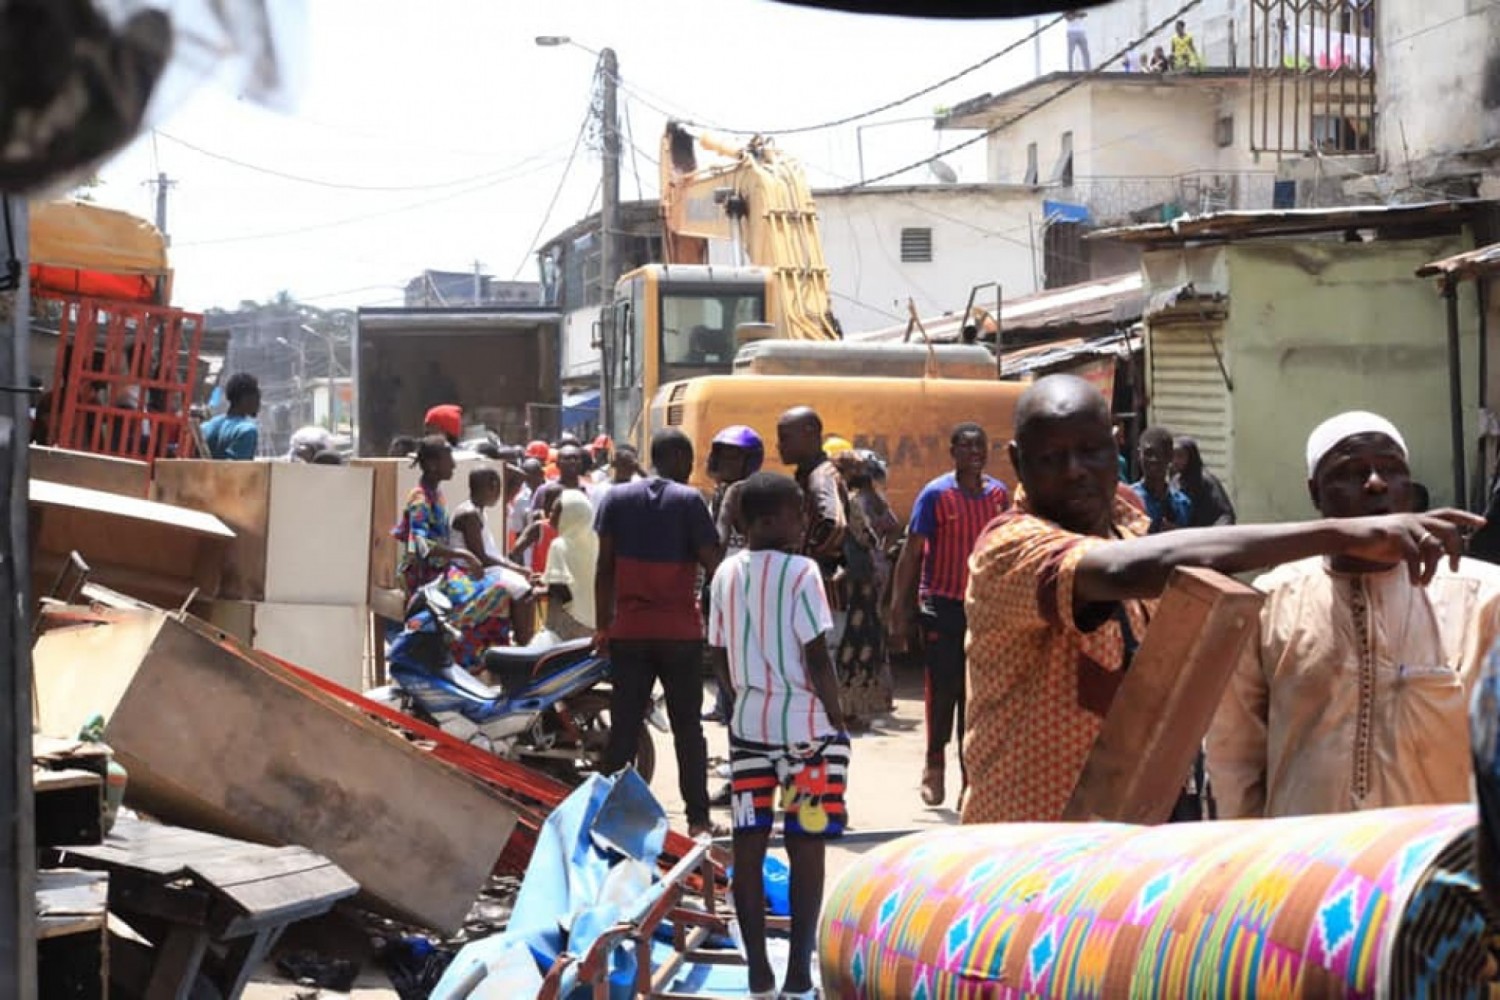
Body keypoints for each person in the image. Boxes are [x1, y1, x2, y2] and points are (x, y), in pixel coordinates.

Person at [960, 375, 1481, 826]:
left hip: (1133, 844)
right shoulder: (1011, 548)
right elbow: (1238, 749)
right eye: (1051, 457)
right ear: (1016, 462)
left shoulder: (1129, 525)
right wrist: (1346, 534)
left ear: (1116, 445)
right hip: (1029, 847)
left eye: (1091, 451)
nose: (1075, 470)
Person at [1208, 412, 1500, 819]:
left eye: (1392, 470)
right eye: (1351, 472)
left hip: (1433, 868)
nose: (1377, 483)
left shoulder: (1483, 599)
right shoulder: (1268, 603)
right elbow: (1233, 757)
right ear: (1315, 493)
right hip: (1305, 866)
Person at [708, 471, 849, 1000]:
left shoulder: (724, 575)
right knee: (805, 843)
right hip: (808, 736)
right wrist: (836, 718)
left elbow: (718, 652)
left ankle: (757, 975)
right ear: (770, 520)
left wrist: (741, 694)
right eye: (797, 512)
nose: (804, 520)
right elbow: (817, 655)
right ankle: (797, 975)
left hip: (748, 733)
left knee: (748, 845)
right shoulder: (802, 572)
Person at [595, 428, 723, 838]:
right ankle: (698, 820)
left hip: (629, 631)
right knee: (689, 729)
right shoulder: (689, 501)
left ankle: (608, 819)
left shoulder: (615, 498)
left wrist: (603, 625)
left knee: (625, 728)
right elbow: (714, 562)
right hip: (679, 633)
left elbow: (604, 569)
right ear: (681, 459)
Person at [888, 422, 1010, 807]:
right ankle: (934, 765)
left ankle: (970, 780)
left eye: (981, 446)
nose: (975, 453)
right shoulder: (936, 495)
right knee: (943, 690)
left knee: (977, 697)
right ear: (953, 451)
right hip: (941, 603)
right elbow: (912, 552)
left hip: (984, 607)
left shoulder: (998, 496)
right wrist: (898, 609)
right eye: (967, 446)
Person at [391, 437, 519, 668]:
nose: (453, 464)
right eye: (448, 458)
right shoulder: (420, 499)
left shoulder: (436, 493)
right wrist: (463, 555)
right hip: (424, 578)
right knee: (496, 594)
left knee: (497, 591)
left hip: (440, 572)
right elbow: (418, 545)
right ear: (432, 464)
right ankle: (469, 660)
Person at [832, 448, 900, 731]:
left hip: (859, 581)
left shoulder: (852, 502)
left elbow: (861, 536)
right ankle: (861, 705)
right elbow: (890, 530)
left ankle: (849, 708)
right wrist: (881, 554)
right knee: (869, 638)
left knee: (853, 641)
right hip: (872, 576)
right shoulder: (873, 499)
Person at [704, 426, 766, 724]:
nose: (726, 463)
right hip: (724, 583)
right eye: (723, 456)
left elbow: (720, 539)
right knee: (723, 652)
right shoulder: (721, 491)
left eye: (734, 457)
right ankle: (725, 708)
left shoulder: (748, 493)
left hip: (745, 583)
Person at [777, 408, 849, 649]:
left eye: (785, 437)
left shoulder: (820, 478)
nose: (779, 445)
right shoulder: (810, 476)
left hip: (823, 598)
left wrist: (804, 562)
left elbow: (835, 525)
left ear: (809, 434)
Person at [452, 466, 537, 646]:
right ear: (490, 487)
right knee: (524, 590)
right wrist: (516, 569)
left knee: (527, 583)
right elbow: (481, 557)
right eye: (497, 487)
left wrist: (517, 568)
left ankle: (521, 639)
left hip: (486, 567)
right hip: (471, 570)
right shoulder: (469, 514)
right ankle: (524, 643)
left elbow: (520, 475)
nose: (499, 494)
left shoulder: (478, 510)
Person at [542, 490, 598, 641]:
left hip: (566, 624)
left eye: (555, 511)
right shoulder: (595, 541)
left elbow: (560, 590)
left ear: (569, 516)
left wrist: (541, 588)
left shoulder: (559, 545)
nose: (550, 514)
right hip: (594, 622)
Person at [1131, 426, 1191, 533]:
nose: (1154, 460)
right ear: (1139, 455)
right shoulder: (1130, 500)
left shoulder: (1182, 503)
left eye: (1161, 454)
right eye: (1148, 453)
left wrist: (1177, 532)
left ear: (1170, 457)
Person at [1173, 436, 1236, 526]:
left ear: (1191, 456)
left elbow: (1226, 515)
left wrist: (1213, 534)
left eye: (1180, 456)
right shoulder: (1175, 482)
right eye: (1173, 456)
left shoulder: (1206, 480)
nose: (1175, 461)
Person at [201, 373, 260, 460]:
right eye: (257, 397)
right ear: (245, 399)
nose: (259, 403)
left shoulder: (206, 427)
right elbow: (237, 469)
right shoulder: (247, 431)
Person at [508, 458, 548, 570]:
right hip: (530, 550)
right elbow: (518, 531)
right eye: (527, 478)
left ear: (542, 474)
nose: (531, 481)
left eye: (534, 476)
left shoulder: (552, 491)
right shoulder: (521, 499)